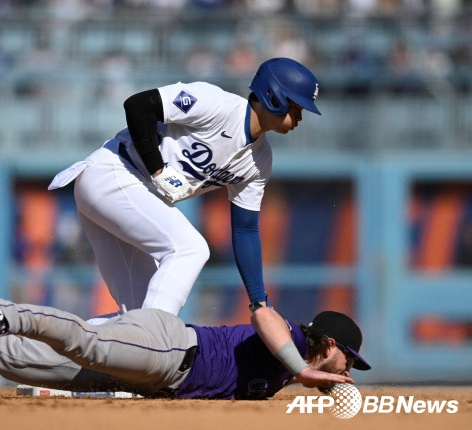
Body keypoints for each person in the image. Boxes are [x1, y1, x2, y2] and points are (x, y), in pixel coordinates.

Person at [48, 57, 321, 324]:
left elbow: (245, 229)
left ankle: (36, 341)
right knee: (190, 248)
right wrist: (157, 169)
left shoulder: (260, 161)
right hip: (113, 172)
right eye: (296, 107)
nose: (299, 116)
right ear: (274, 96)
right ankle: (154, 339)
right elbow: (138, 105)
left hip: (131, 196)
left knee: (133, 316)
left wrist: (258, 301)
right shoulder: (218, 105)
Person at [0, 272, 370, 399]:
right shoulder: (295, 344)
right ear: (329, 346)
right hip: (171, 349)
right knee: (84, 339)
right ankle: (5, 311)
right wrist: (304, 367)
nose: (348, 372)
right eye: (348, 361)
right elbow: (265, 317)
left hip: (154, 378)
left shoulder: (289, 377)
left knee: (11, 362)